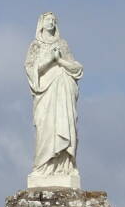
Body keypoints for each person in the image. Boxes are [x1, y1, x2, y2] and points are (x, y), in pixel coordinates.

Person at [24, 12, 83, 188]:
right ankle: (44, 166)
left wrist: (61, 61)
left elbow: (76, 67)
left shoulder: (62, 44)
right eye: (48, 20)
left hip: (63, 90)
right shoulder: (35, 46)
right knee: (46, 127)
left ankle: (64, 167)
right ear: (41, 23)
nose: (51, 22)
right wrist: (51, 60)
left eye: (54, 20)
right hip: (45, 92)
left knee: (64, 123)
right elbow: (31, 70)